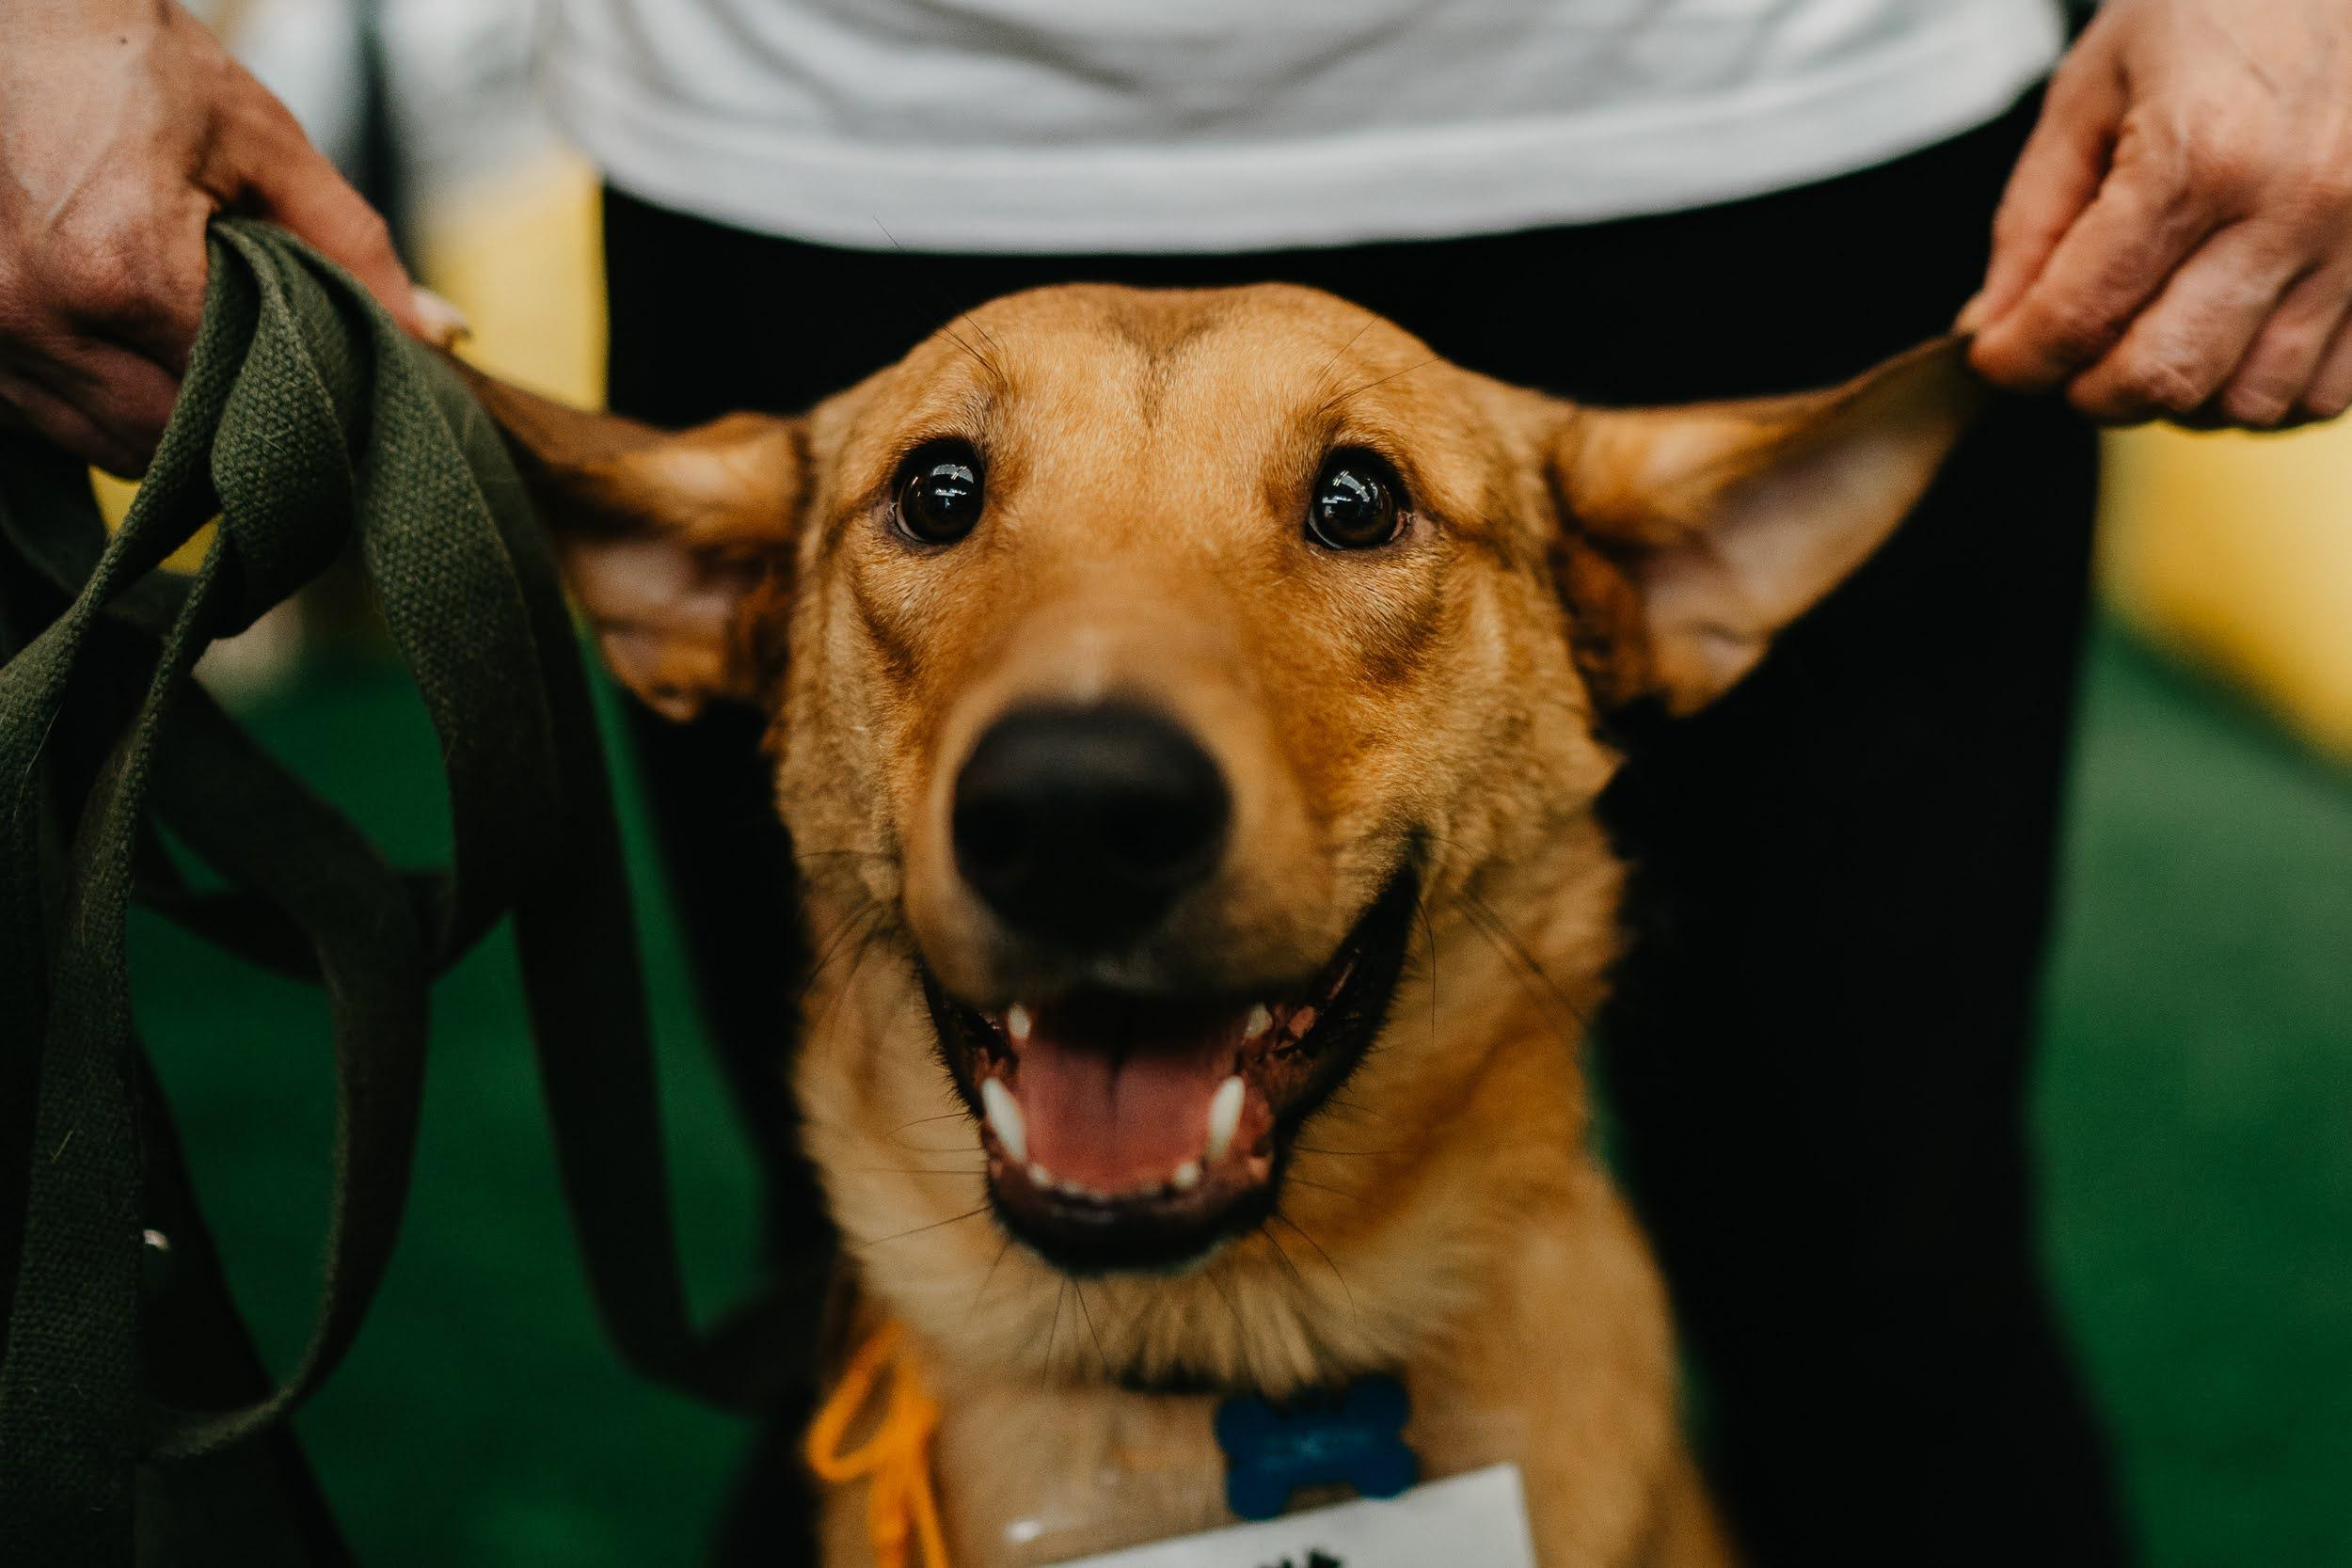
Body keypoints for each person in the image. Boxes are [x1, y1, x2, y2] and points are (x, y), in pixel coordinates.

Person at [8, 1, 2351, 1562]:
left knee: (1888, 1303)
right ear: (711, 609)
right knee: (829, 1296)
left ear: (1658, 597)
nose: (1088, 765)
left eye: (1353, 512)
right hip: (824, 127)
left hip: (1765, 92)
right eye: (936, 503)